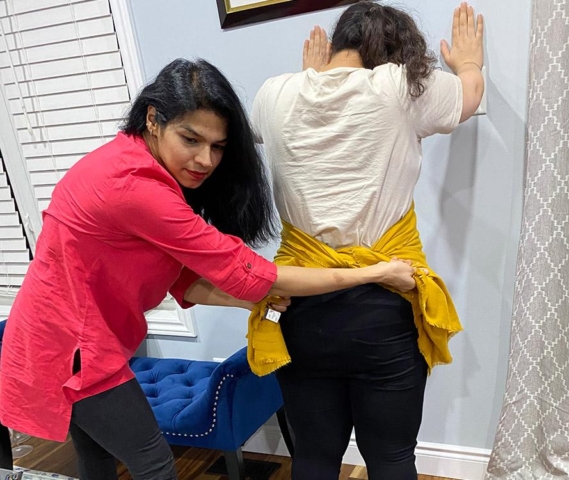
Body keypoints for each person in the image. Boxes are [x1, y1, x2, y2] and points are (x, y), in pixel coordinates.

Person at [0, 58, 416, 480]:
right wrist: (375, 273)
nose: (205, 159)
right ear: (153, 119)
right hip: (69, 346)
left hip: (61, 335)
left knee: (97, 456)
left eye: (218, 146)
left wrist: (252, 301)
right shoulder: (134, 188)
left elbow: (184, 280)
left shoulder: (134, 164)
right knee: (154, 463)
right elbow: (246, 272)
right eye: (191, 139)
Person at [250, 2, 484, 479]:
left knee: (313, 455)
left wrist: (307, 80)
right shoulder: (401, 85)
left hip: (299, 305)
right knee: (391, 456)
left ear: (338, 43)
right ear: (395, 52)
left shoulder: (273, 93)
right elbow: (468, 97)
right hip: (384, 303)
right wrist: (468, 63)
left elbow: (282, 132)